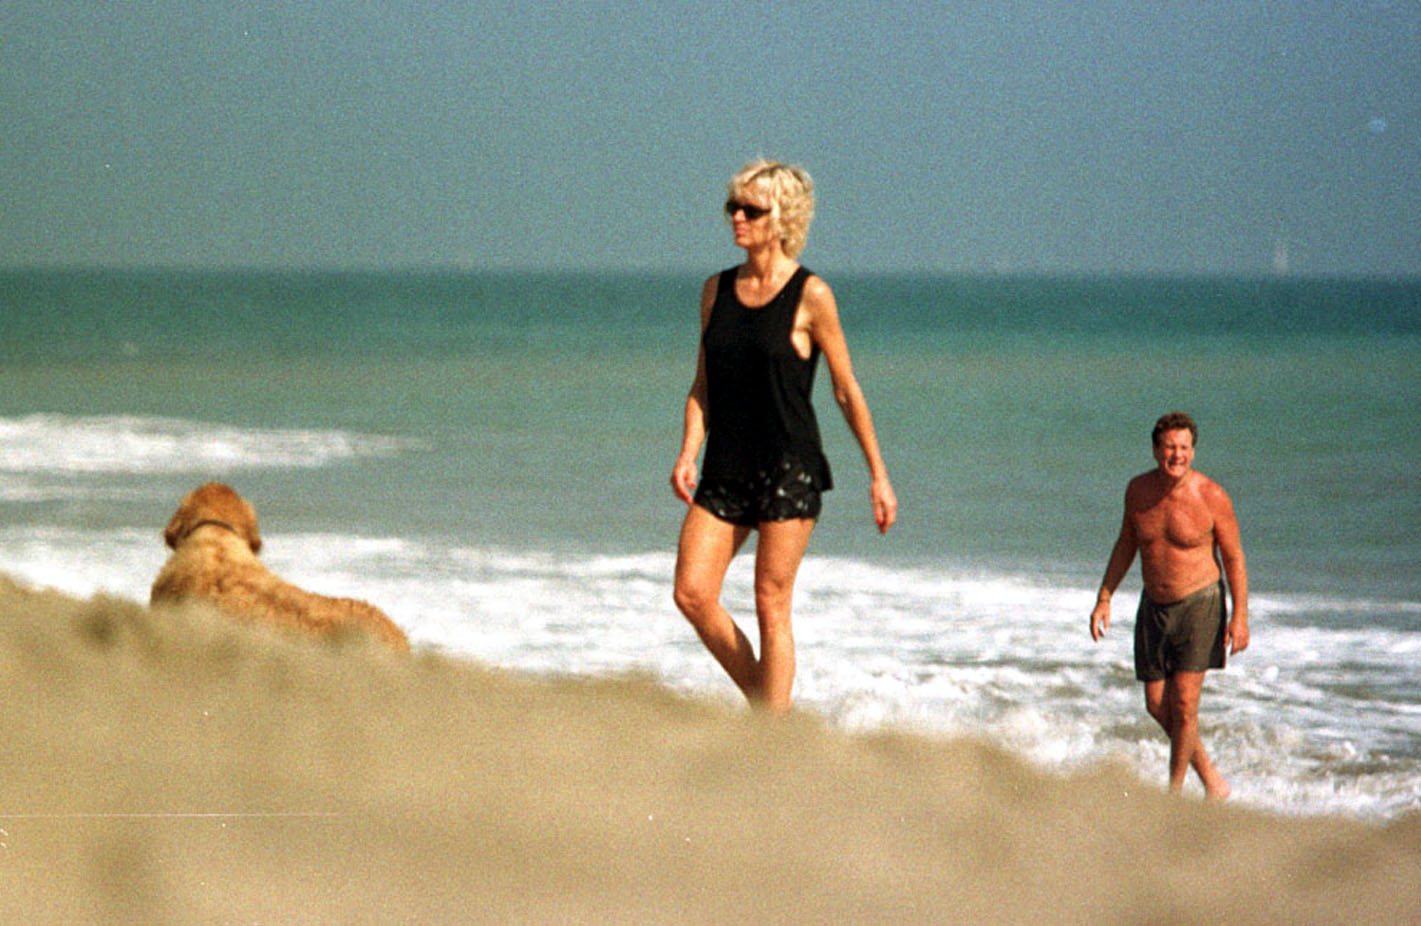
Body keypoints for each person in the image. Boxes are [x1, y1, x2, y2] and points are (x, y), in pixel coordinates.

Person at [670, 159, 897, 714]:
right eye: (733, 207)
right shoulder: (715, 290)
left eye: (752, 209)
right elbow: (703, 385)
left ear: (783, 218)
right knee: (692, 592)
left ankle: (770, 736)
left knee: (771, 601)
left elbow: (845, 389)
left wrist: (878, 475)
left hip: (787, 468)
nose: (737, 218)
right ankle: (768, 707)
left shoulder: (811, 295)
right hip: (725, 466)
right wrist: (687, 451)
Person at [1090, 411, 1249, 798]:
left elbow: (1233, 558)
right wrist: (1104, 597)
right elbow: (1127, 543)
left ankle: (1173, 796)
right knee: (1156, 704)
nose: (1176, 455)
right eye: (1169, 447)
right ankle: (1213, 781)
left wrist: (1241, 616)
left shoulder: (1211, 495)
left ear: (1192, 451)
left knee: (1184, 704)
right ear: (1155, 449)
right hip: (1154, 606)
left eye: (1183, 448)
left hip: (1200, 604)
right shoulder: (1138, 492)